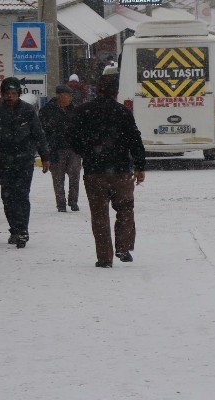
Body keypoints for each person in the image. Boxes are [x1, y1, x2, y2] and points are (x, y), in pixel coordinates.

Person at [72, 74, 146, 268]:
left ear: (98, 90)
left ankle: (105, 258)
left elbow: (71, 137)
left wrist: (86, 152)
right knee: (125, 209)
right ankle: (123, 247)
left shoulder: (83, 111)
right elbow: (134, 139)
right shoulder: (123, 112)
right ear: (116, 93)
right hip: (121, 170)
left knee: (99, 215)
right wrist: (140, 166)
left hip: (94, 171)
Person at [0, 77, 49, 248]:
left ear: (19, 94)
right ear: (2, 94)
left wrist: (45, 156)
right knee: (8, 197)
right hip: (4, 161)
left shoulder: (28, 111)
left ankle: (23, 229)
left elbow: (39, 134)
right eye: (7, 94)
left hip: (24, 160)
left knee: (22, 195)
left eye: (14, 94)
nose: (10, 97)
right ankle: (14, 229)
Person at [39, 84, 82, 212]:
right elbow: (42, 131)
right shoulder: (47, 111)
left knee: (75, 175)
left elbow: (80, 129)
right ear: (60, 96)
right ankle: (61, 204)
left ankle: (73, 202)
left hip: (73, 148)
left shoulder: (75, 110)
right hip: (56, 149)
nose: (70, 98)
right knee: (58, 178)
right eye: (68, 95)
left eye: (70, 96)